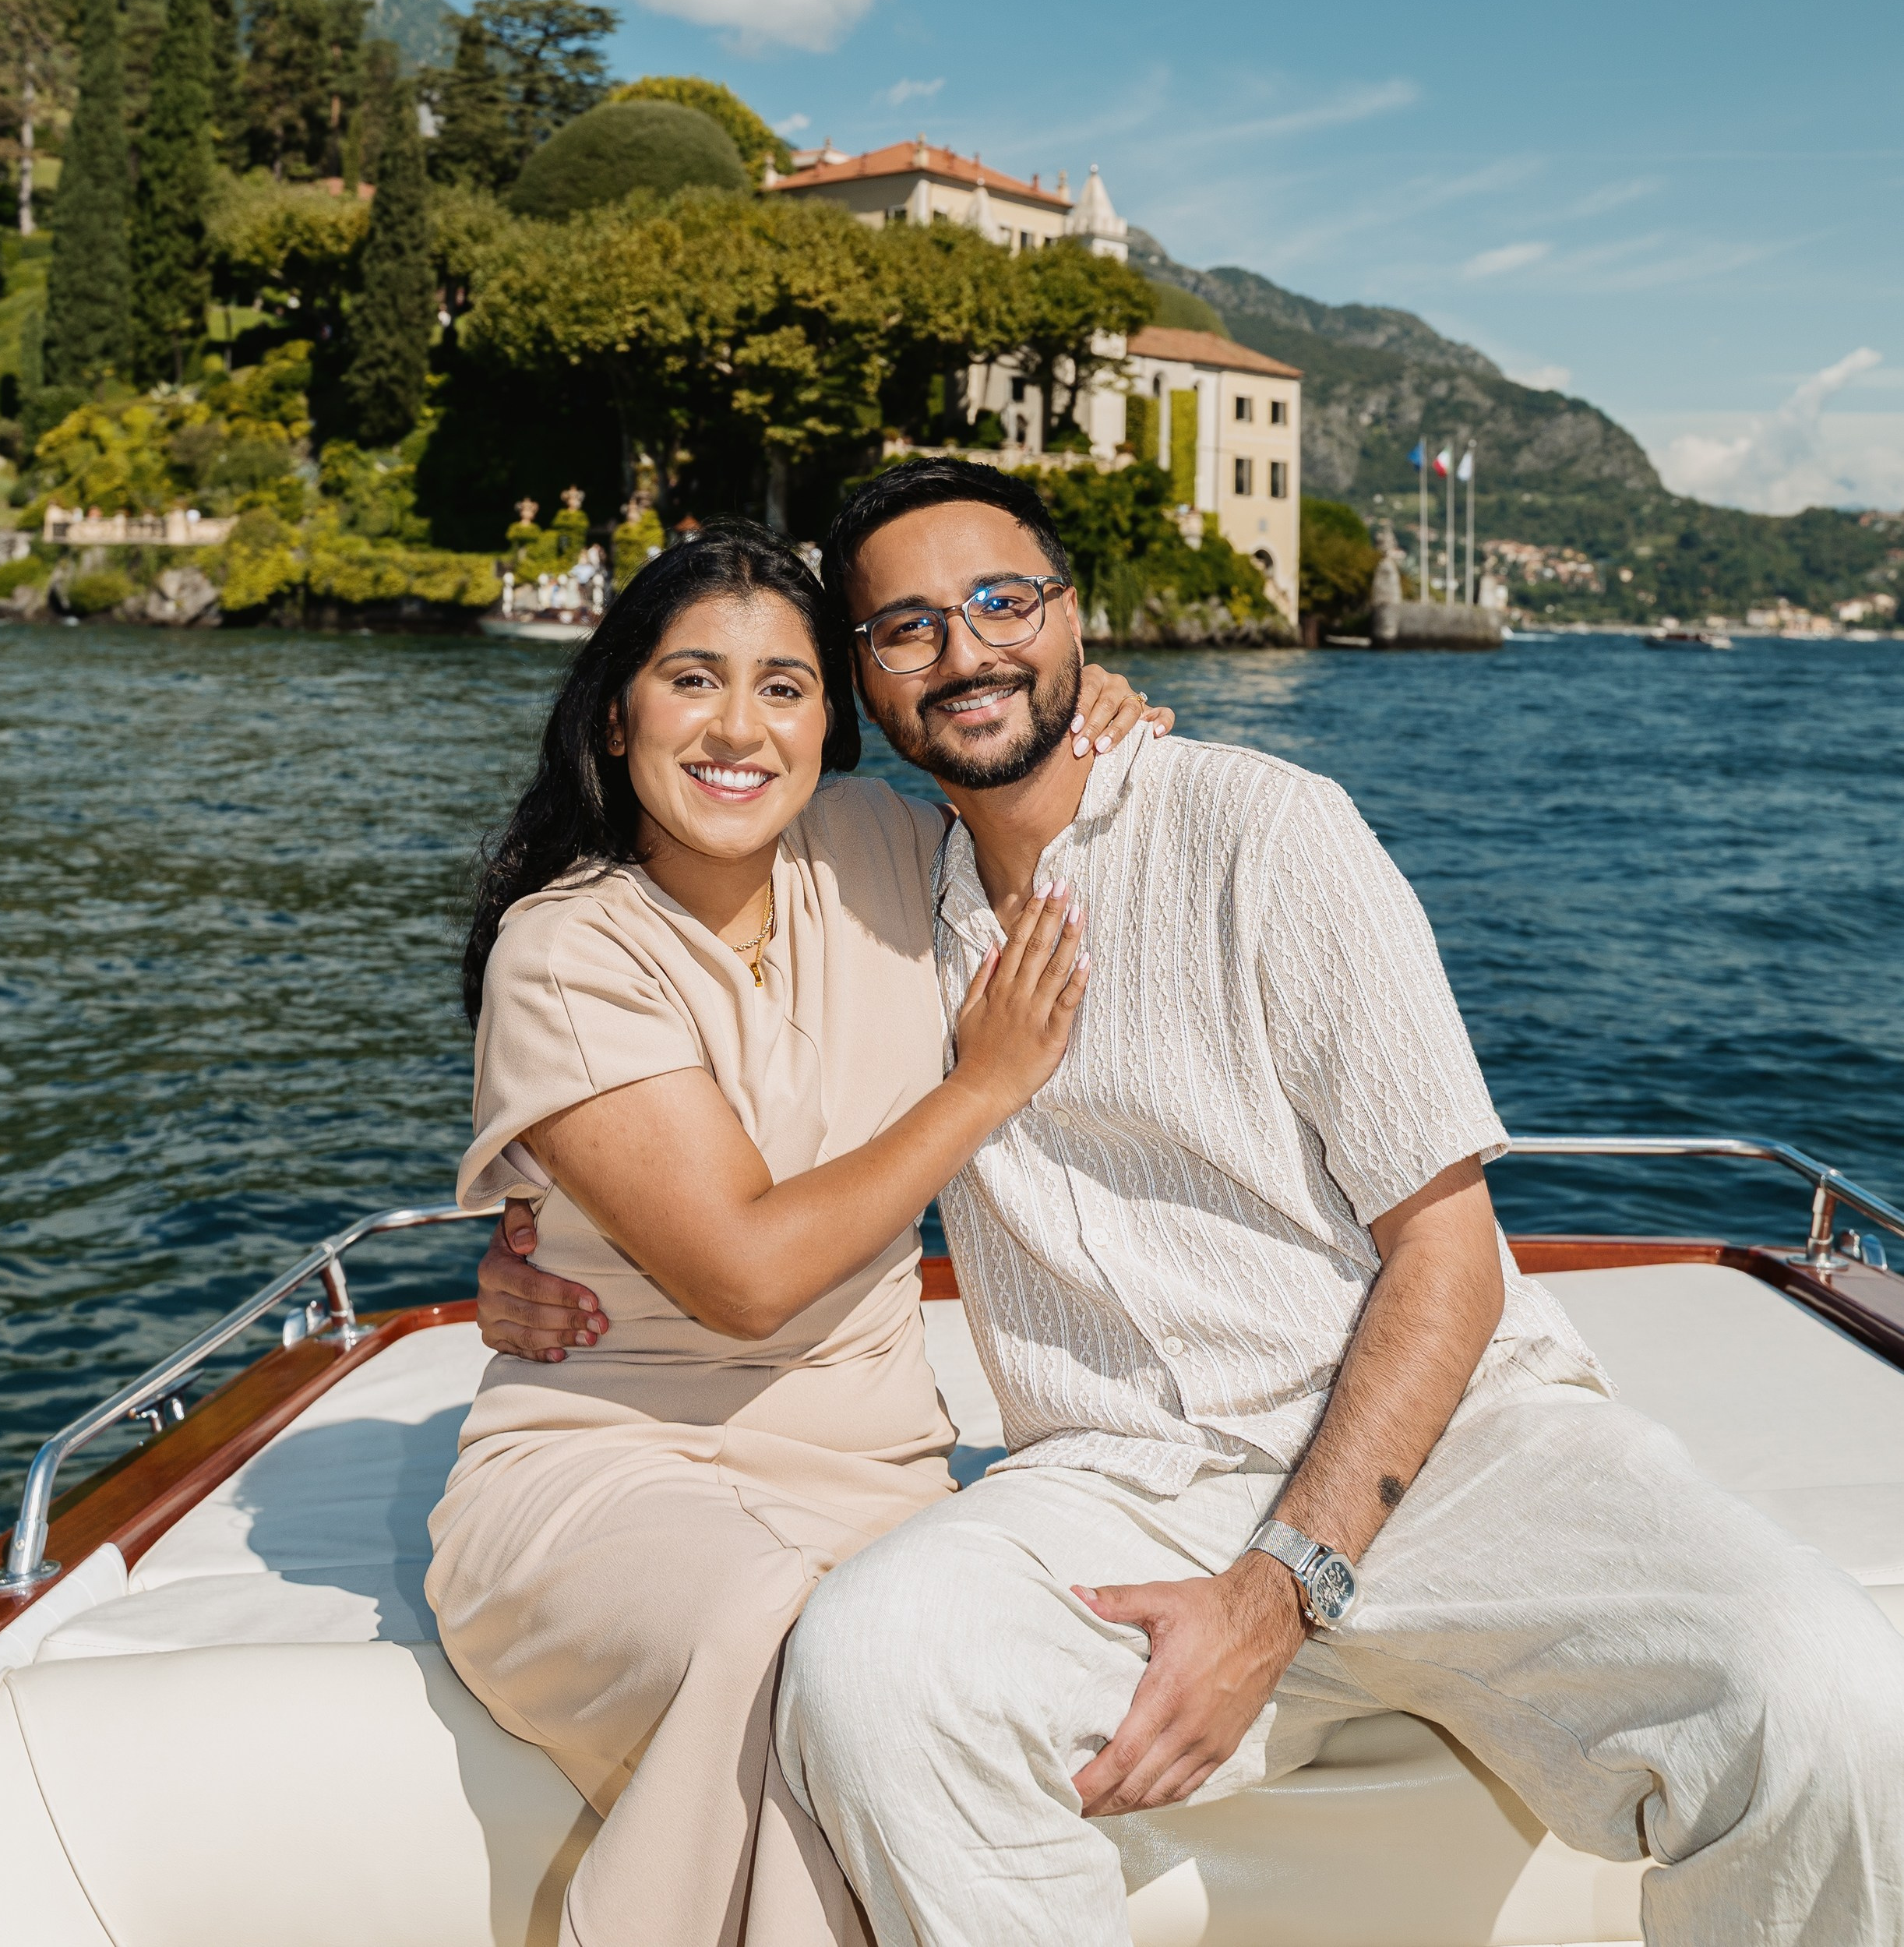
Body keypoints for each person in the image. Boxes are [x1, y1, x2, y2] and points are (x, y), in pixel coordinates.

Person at [496, 460, 1904, 1947]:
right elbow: (660, 1042)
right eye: (907, 627)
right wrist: (528, 1226)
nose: (965, 650)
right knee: (873, 1663)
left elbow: (1448, 1251)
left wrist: (1276, 1587)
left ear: (1075, 620)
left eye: (1002, 601)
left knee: (1821, 1685)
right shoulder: (885, 874)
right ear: (868, 679)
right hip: (1113, 1473)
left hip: (1444, 1448)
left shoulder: (1266, 830)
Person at [430, 517, 1167, 1947]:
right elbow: (747, 1275)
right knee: (792, 1639)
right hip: (605, 1469)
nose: (736, 727)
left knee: (919, 1661)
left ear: (833, 719)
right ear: (618, 705)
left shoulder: (880, 848)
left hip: (878, 1471)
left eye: (783, 686)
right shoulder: (570, 945)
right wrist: (985, 1086)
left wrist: (1103, 694)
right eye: (692, 677)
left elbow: (1037, 763)